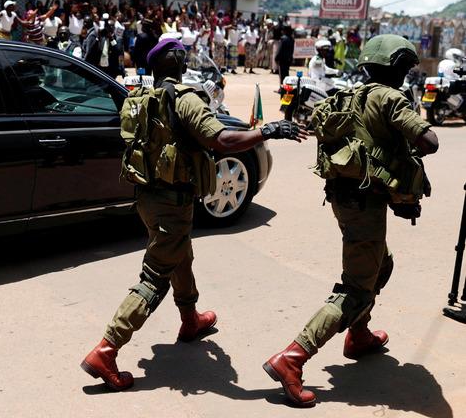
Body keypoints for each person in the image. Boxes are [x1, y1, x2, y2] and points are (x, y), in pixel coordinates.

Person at [81, 38, 306, 392]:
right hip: (172, 202)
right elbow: (222, 140)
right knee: (155, 276)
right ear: (180, 62)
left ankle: (190, 319)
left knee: (180, 255)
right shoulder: (185, 100)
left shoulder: (144, 98)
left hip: (148, 198)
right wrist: (268, 130)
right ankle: (106, 350)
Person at [263, 35, 439, 407]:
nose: (406, 74)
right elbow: (430, 141)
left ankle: (359, 335)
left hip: (342, 198)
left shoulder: (346, 96)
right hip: (366, 204)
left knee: (381, 265)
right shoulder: (390, 98)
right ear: (395, 67)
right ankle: (292, 357)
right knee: (356, 288)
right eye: (405, 67)